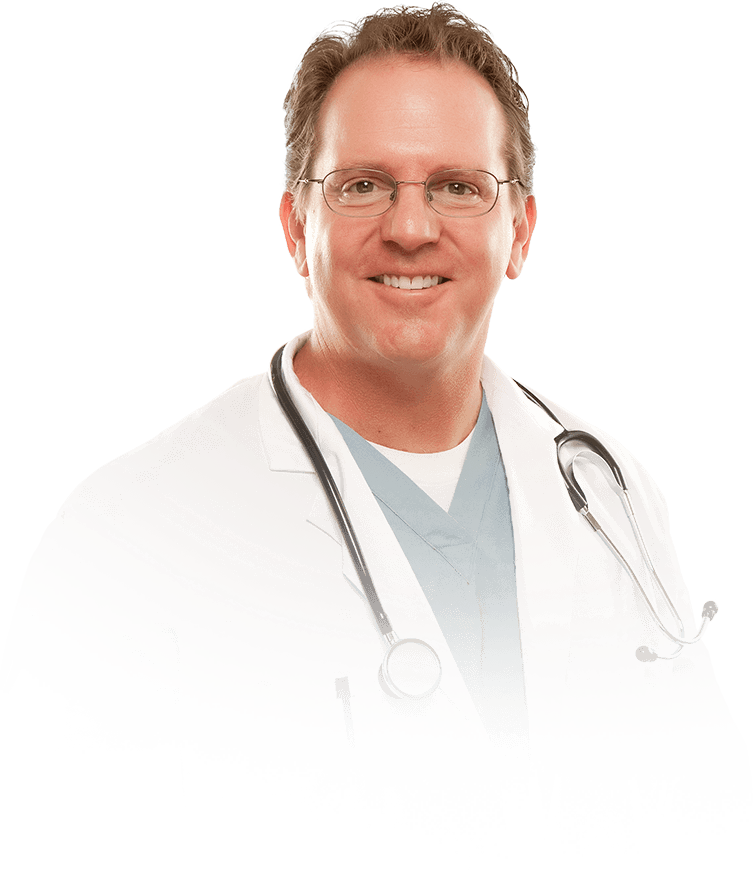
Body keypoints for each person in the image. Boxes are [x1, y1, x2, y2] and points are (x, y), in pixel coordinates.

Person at [1, 4, 749, 823]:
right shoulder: (124, 541)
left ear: (520, 231)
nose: (411, 229)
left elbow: (709, 804)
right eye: (362, 186)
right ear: (296, 227)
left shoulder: (609, 490)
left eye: (458, 187)